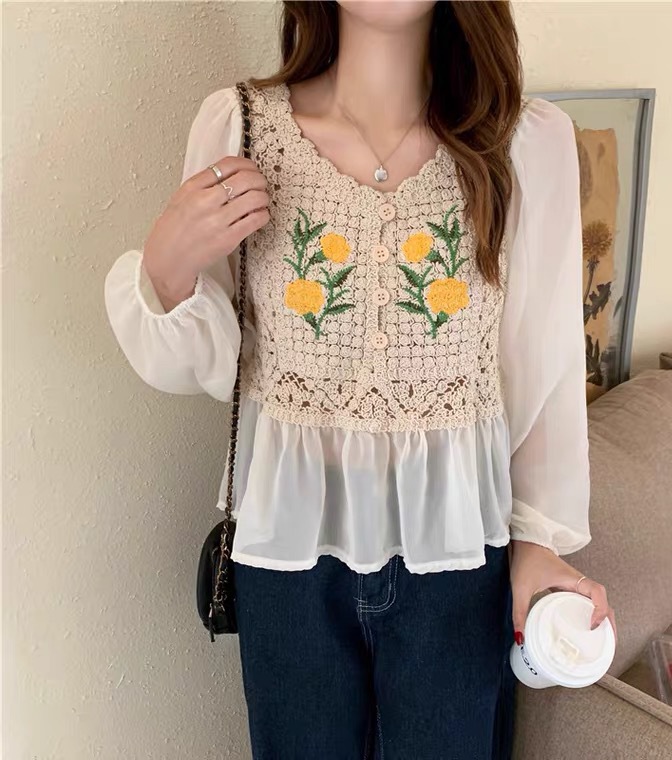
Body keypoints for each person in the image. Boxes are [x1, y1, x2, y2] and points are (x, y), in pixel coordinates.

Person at [104, 1, 616, 758]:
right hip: (288, 557)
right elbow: (214, 365)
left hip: (456, 557)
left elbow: (542, 364)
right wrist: (165, 268)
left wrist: (538, 540)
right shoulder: (240, 129)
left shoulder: (524, 143)